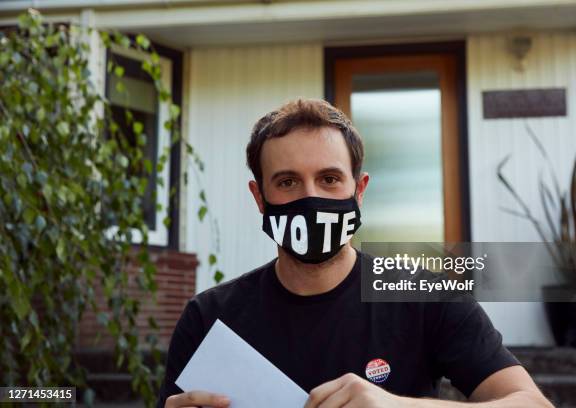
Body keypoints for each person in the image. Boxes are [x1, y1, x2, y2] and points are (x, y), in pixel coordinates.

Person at [157, 99, 553, 408]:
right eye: (288, 181)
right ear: (260, 197)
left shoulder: (425, 296)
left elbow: (532, 402)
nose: (310, 198)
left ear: (358, 191)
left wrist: (398, 405)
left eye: (329, 179)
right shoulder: (210, 320)